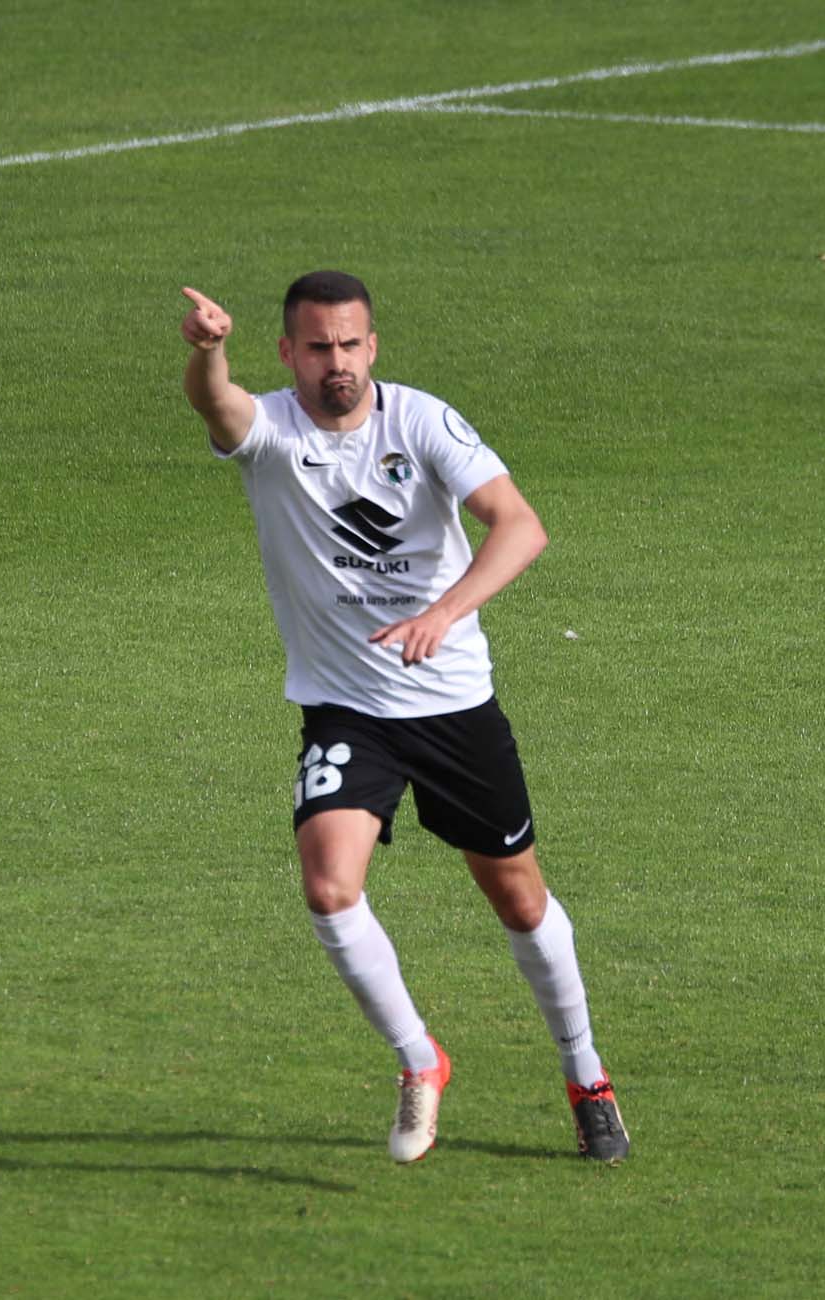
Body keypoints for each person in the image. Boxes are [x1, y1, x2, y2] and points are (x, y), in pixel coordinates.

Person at [179, 270, 629, 1164]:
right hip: (348, 709)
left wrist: (443, 613)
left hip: (453, 704)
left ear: (373, 346)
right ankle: (421, 1061)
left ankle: (586, 1075)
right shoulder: (272, 432)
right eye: (316, 348)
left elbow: (520, 525)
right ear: (288, 352)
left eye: (350, 346)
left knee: (518, 897)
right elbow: (217, 405)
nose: (335, 364)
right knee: (328, 887)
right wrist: (207, 354)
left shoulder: (420, 422)